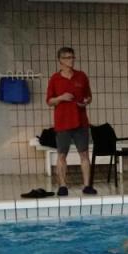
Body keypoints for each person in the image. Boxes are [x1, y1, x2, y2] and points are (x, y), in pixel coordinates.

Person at [46, 47, 96, 197]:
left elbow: (89, 97)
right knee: (62, 154)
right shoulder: (55, 79)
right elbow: (49, 101)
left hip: (81, 121)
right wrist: (61, 98)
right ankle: (62, 186)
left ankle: (87, 185)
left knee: (84, 153)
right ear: (60, 60)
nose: (71, 60)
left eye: (72, 57)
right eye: (68, 58)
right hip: (63, 122)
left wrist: (85, 101)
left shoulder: (81, 76)